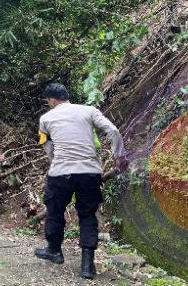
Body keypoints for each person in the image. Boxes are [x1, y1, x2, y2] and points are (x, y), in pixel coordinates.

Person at [33, 83, 128, 279]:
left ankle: (54, 251)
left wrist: (56, 163)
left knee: (55, 211)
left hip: (61, 174)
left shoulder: (46, 118)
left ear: (51, 100)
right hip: (89, 173)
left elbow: (46, 146)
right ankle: (87, 266)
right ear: (67, 96)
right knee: (87, 215)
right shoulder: (89, 111)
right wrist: (119, 157)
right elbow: (114, 131)